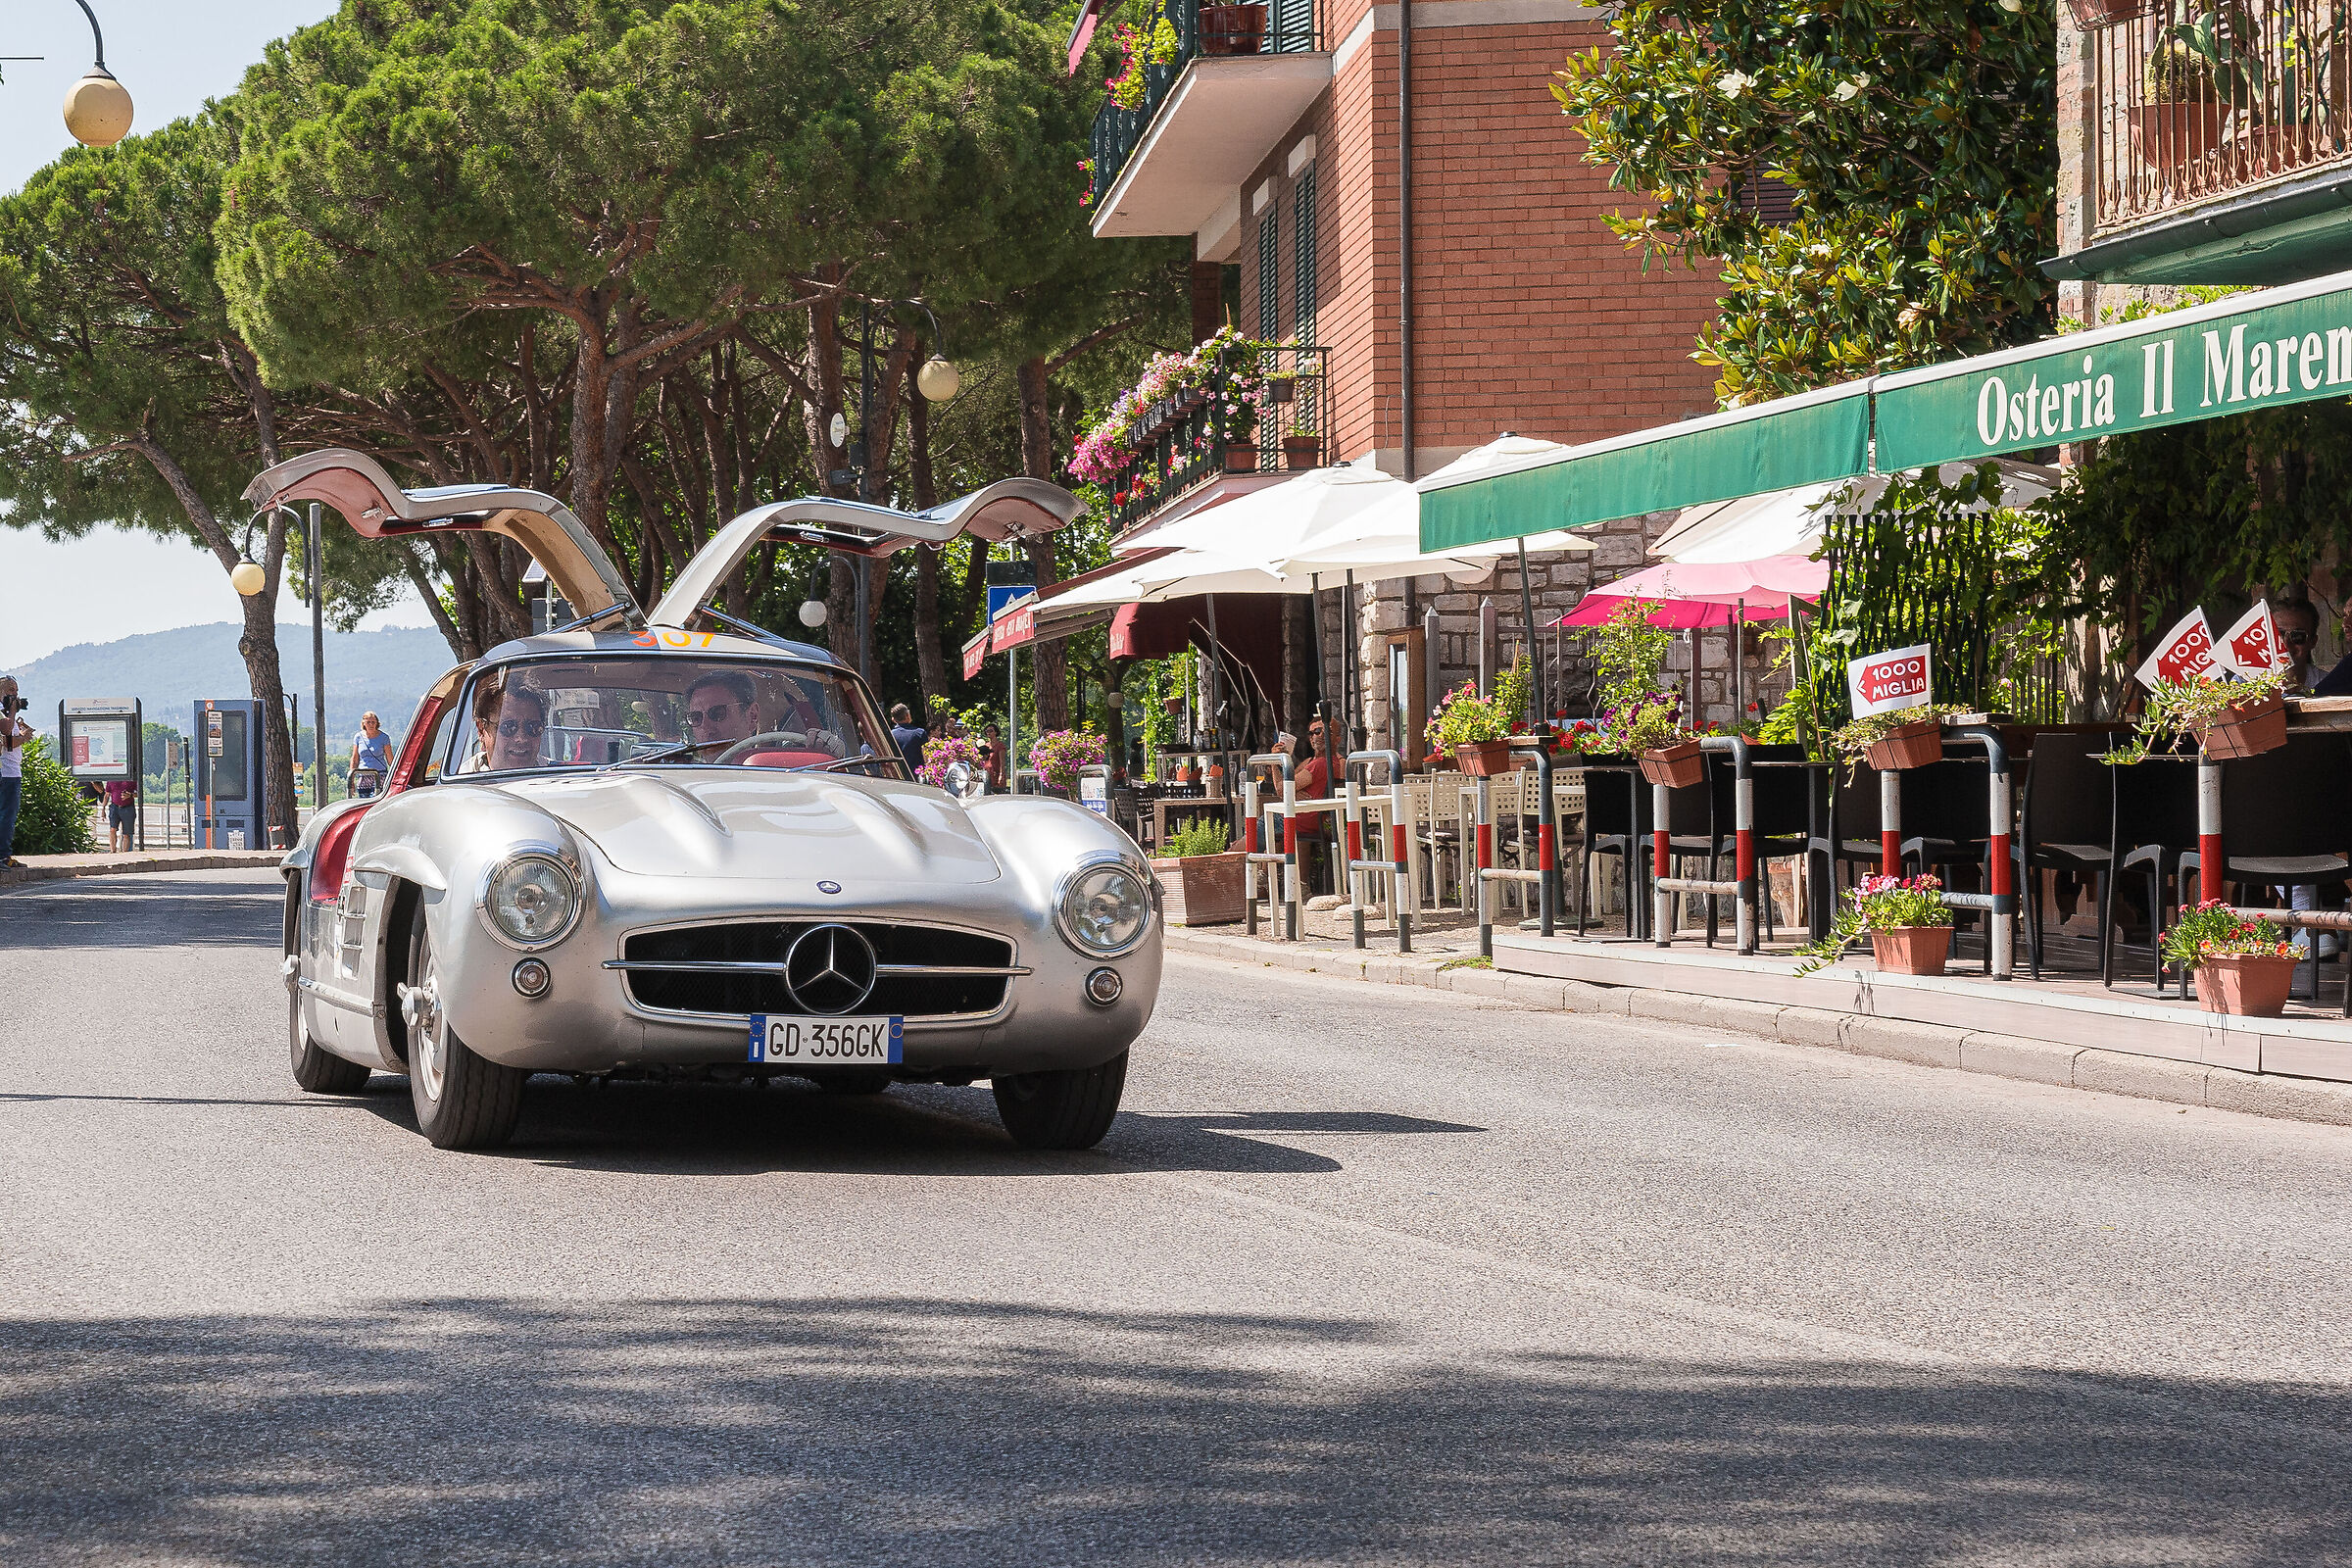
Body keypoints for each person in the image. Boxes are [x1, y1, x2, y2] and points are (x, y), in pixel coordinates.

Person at [462, 676, 547, 772]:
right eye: (508, 727)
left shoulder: (558, 777)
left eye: (533, 727)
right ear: (482, 730)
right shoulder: (460, 783)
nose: (521, 738)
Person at [683, 670, 762, 752]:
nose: (706, 728)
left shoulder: (771, 764)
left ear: (752, 717)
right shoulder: (677, 764)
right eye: (696, 718)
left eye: (718, 714)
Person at [0, 675, 28, 868]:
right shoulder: (4, 713)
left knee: (9, 816)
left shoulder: (7, 713)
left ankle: (5, 854)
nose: (15, 695)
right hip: (7, 772)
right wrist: (25, 737)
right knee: (6, 816)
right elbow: (7, 740)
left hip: (12, 771)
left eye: (16, 691)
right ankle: (3, 855)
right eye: (11, 690)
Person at [348, 711, 393, 798]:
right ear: (364, 723)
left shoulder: (384, 737)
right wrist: (351, 779)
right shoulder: (358, 737)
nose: (371, 725)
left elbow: (390, 759)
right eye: (368, 722)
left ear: (377, 723)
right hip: (363, 775)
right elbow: (354, 759)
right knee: (364, 801)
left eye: (373, 722)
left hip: (379, 775)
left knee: (378, 800)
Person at [889, 703, 928, 776]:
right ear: (907, 715)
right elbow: (926, 757)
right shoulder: (920, 733)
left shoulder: (890, 735)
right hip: (918, 776)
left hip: (898, 777)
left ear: (893, 719)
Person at [102, 776, 136, 853]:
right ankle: (112, 851)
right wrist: (103, 809)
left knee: (127, 833)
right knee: (112, 829)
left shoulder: (132, 779)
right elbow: (107, 794)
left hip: (128, 807)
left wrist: (130, 795)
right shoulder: (111, 779)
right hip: (114, 806)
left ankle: (125, 852)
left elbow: (138, 793)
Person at [982, 722, 1008, 792]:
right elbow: (983, 760)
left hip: (996, 775)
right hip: (987, 775)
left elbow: (1002, 762)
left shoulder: (1000, 745)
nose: (988, 733)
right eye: (987, 731)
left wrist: (1001, 775)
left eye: (991, 731)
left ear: (996, 732)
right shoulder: (986, 746)